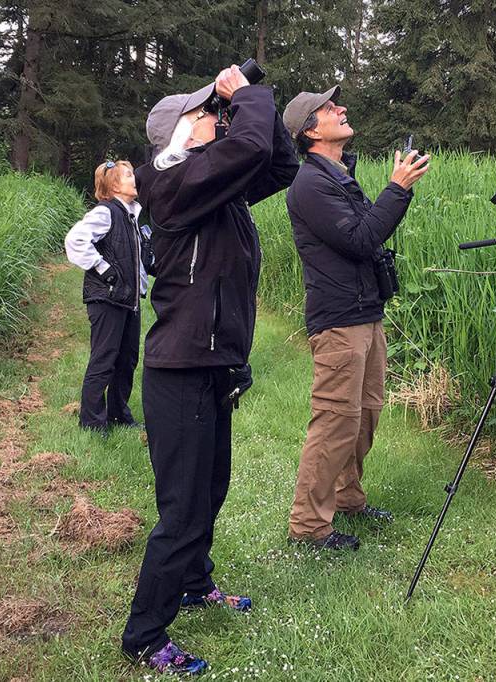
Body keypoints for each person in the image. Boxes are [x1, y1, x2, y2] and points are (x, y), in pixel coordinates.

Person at [120, 66, 299, 675]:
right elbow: (246, 145)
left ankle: (195, 585)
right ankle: (145, 635)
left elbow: (276, 165)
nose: (216, 120)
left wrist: (256, 107)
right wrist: (245, 95)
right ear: (179, 133)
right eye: (205, 115)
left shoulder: (210, 190)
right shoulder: (171, 184)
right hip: (181, 370)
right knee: (184, 509)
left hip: (213, 366)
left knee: (210, 490)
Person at [282, 86, 430, 550]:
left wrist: (391, 192)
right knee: (334, 420)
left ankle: (347, 497)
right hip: (339, 320)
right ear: (310, 130)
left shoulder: (340, 176)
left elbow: (367, 235)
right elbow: (361, 239)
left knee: (364, 415)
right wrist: (397, 189)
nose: (341, 109)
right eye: (330, 108)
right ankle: (308, 525)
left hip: (367, 313)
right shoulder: (309, 184)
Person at [64, 160, 151, 434]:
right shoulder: (107, 212)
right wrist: (104, 270)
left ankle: (118, 414)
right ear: (114, 185)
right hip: (107, 298)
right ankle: (91, 422)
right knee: (104, 359)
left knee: (127, 360)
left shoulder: (132, 217)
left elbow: (139, 261)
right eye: (128, 174)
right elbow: (75, 240)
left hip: (129, 300)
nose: (134, 177)